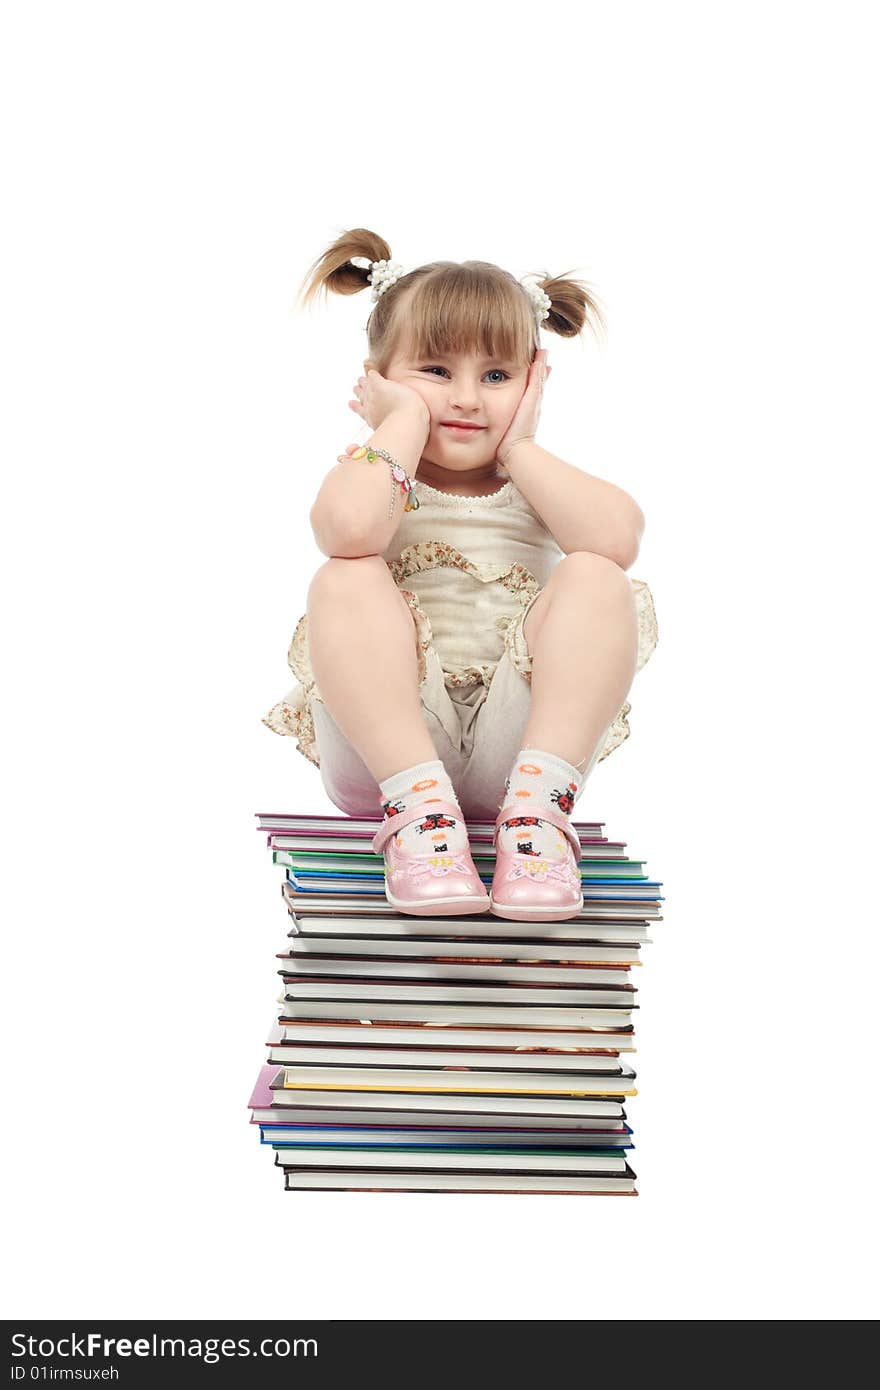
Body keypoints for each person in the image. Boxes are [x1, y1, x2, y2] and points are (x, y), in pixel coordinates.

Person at [264, 227, 658, 921]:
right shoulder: (379, 473)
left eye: (498, 376)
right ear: (378, 378)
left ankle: (536, 825)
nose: (469, 399)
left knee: (597, 577)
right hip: (386, 755)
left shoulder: (538, 480)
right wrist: (402, 424)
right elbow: (348, 531)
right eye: (436, 373)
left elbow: (618, 538)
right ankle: (420, 820)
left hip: (520, 756)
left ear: (533, 381)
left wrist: (524, 447)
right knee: (346, 576)